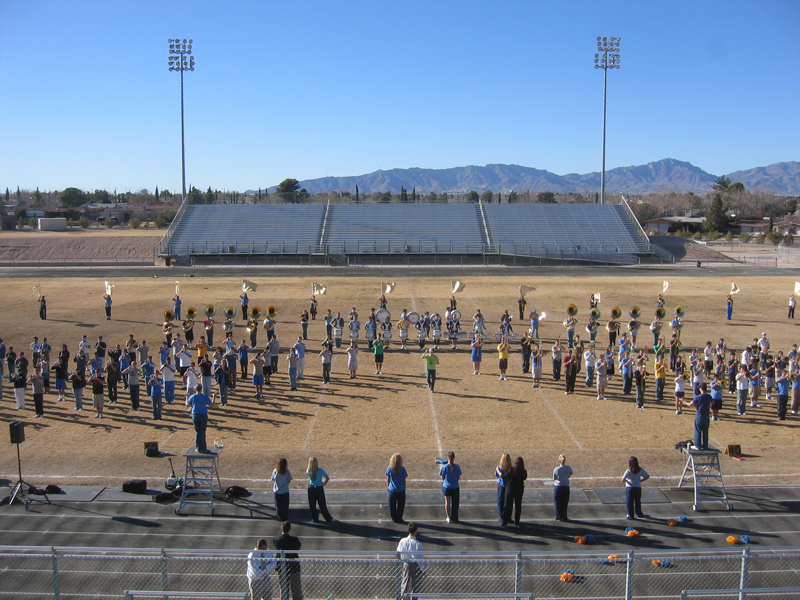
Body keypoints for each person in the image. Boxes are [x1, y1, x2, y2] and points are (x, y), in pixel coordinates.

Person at [273, 521, 303, 600]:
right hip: (294, 566)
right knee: (296, 590)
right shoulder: (294, 540)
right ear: (289, 529)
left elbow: (275, 541)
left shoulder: (277, 540)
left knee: (283, 590)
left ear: (281, 528)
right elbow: (298, 546)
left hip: (282, 567)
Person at [397, 522, 425, 600]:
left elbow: (398, 552)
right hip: (415, 565)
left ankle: (403, 598)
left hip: (406, 564)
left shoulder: (402, 541)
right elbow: (420, 558)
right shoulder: (418, 544)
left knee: (404, 583)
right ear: (416, 531)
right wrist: (423, 570)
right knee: (416, 585)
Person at [307, 456, 335, 523]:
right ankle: (328, 518)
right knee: (322, 504)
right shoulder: (320, 471)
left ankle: (314, 519)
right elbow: (327, 478)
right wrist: (324, 484)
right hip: (319, 488)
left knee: (312, 505)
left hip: (311, 488)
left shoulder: (308, 471)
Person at [186, 383, 213, 453]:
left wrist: (186, 397)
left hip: (195, 415)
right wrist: (214, 397)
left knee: (197, 432)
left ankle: (198, 447)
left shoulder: (193, 396)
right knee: (203, 432)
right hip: (203, 415)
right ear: (201, 389)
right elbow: (211, 405)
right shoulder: (204, 397)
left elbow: (187, 404)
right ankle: (203, 448)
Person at [502, 456, 527, 527]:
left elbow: (504, 476)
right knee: (518, 506)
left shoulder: (511, 470)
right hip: (519, 490)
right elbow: (524, 478)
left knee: (507, 505)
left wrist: (499, 471)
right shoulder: (523, 471)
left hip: (510, 489)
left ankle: (505, 521)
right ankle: (517, 521)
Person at [440, 451, 461, 523]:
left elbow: (442, 477)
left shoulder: (444, 467)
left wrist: (446, 481)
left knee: (447, 502)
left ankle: (448, 517)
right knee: (455, 503)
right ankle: (455, 517)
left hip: (446, 487)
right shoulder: (457, 467)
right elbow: (458, 477)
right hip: (455, 486)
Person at [386, 453, 408, 523]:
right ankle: (399, 518)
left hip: (392, 490)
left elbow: (388, 478)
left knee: (392, 505)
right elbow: (404, 479)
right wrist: (404, 487)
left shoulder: (390, 468)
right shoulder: (402, 469)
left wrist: (388, 486)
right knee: (401, 505)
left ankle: (393, 518)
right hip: (401, 489)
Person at [691, 383, 713, 450]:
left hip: (699, 415)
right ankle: (705, 445)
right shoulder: (709, 396)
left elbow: (690, 404)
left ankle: (697, 445)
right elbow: (713, 403)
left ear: (701, 389)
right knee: (705, 430)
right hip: (706, 415)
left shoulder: (698, 397)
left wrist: (683, 401)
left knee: (698, 430)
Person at [271, 457, 293, 522]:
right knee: (285, 506)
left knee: (278, 505)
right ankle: (285, 518)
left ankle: (279, 517)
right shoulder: (287, 472)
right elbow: (290, 479)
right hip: (285, 491)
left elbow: (272, 479)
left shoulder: (275, 471)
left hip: (277, 491)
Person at [553, 454, 573, 521]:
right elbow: (570, 474)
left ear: (559, 461)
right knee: (565, 502)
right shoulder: (568, 468)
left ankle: (558, 516)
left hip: (558, 486)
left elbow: (554, 478)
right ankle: (564, 516)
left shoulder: (556, 469)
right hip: (566, 486)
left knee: (557, 502)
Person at [493, 453, 511, 523]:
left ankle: (501, 517)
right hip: (508, 486)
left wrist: (497, 469)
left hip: (502, 486)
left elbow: (496, 475)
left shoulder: (500, 468)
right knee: (507, 502)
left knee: (500, 502)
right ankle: (508, 517)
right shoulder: (510, 469)